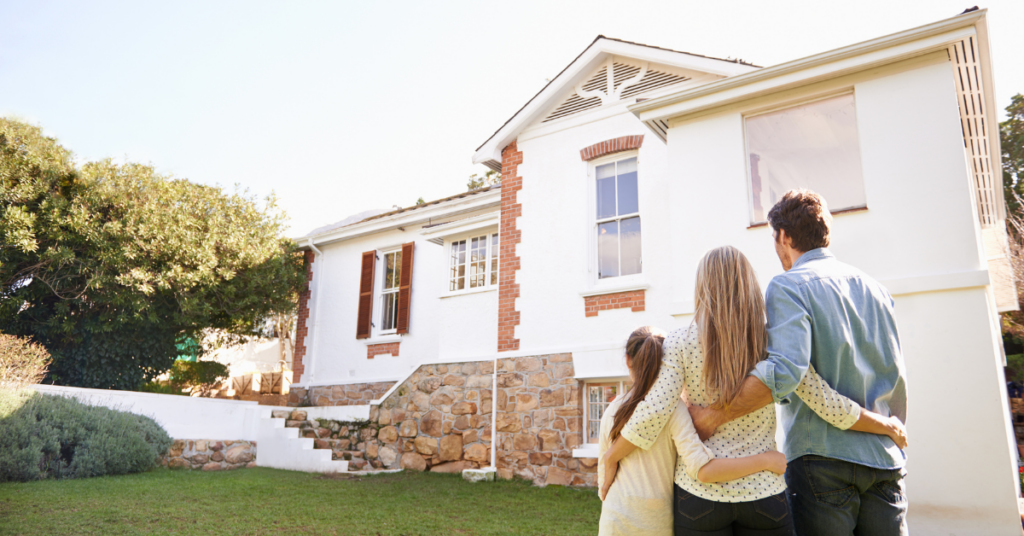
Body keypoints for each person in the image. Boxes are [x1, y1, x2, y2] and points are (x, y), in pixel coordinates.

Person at [601, 245, 905, 535]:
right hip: (764, 494)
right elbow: (824, 400)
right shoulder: (771, 341)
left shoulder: (680, 342)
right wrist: (885, 425)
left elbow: (654, 411)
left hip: (699, 496)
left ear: (702, 288)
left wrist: (612, 456)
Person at [686, 190, 910, 535]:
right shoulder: (877, 291)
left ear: (785, 236)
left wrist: (717, 414)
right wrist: (888, 429)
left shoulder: (789, 286)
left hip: (823, 463)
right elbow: (896, 379)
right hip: (884, 458)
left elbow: (787, 371)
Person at [598, 326, 787, 536]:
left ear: (627, 361)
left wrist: (605, 480)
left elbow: (604, 477)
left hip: (613, 520)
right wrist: (767, 461)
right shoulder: (673, 409)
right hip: (653, 523)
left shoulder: (612, 409)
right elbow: (702, 469)